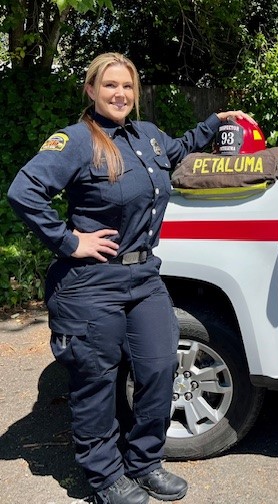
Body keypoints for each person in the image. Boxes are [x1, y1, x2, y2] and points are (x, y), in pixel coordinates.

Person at [7, 52, 255, 504]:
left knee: (160, 368)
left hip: (143, 276)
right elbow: (24, 191)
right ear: (91, 90)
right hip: (90, 283)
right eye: (109, 86)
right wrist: (69, 241)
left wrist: (215, 120)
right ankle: (105, 478)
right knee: (96, 382)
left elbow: (178, 150)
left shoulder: (148, 137)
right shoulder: (77, 141)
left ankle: (144, 463)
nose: (119, 94)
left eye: (127, 86)